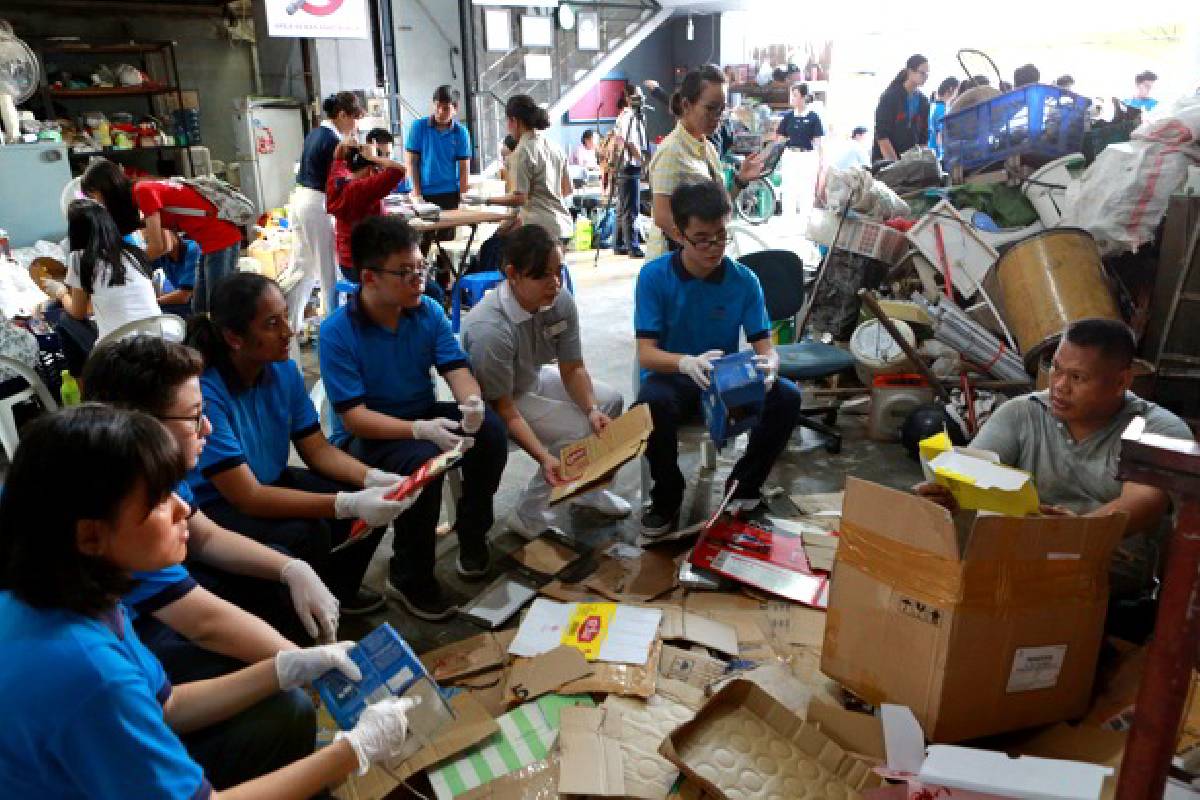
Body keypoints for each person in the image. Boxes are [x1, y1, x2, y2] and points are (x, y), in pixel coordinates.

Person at [0, 404, 419, 798]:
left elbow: (169, 705)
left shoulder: (75, 593)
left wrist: (282, 668)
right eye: (158, 501)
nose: (184, 508)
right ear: (90, 535)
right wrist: (354, 751)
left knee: (284, 709)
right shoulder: (92, 674)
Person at [184, 272, 419, 616]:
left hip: (266, 481)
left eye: (285, 316)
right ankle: (299, 614)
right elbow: (246, 497)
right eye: (271, 323)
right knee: (307, 532)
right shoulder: (207, 392)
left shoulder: (283, 372)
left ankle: (339, 592)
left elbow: (317, 449)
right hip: (217, 502)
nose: (288, 331)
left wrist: (372, 479)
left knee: (363, 499)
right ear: (234, 337)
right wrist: (347, 503)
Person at [83, 335, 340, 646]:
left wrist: (291, 569)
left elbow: (204, 534)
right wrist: (296, 664)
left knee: (280, 568)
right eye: (194, 416)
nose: (207, 427)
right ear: (142, 425)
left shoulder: (149, 462)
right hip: (123, 629)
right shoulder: (115, 508)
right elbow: (203, 622)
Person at [915, 319, 1193, 606]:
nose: (1059, 386)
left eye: (1077, 378)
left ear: (1121, 381)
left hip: (1106, 565)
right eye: (1056, 369)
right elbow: (969, 477)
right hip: (1020, 551)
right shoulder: (1022, 413)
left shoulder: (1157, 430)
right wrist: (946, 495)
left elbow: (1144, 502)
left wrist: (1079, 535)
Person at [318, 216, 507, 621]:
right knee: (423, 459)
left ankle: (472, 535)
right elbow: (354, 418)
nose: (418, 279)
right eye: (405, 272)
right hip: (369, 436)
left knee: (490, 432)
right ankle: (410, 573)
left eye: (420, 268)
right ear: (369, 277)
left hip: (421, 416)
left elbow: (454, 368)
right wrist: (420, 429)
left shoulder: (427, 312)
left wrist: (471, 403)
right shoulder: (338, 332)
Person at [634, 180, 802, 536]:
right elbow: (646, 354)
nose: (714, 248)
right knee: (650, 405)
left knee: (786, 396)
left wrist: (769, 365)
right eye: (702, 238)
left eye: (721, 235)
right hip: (673, 377)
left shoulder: (744, 281)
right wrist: (684, 362)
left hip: (722, 380)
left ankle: (743, 489)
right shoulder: (654, 277)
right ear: (679, 234)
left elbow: (764, 345)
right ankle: (667, 496)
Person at [462, 223, 629, 537]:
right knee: (578, 432)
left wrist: (592, 408)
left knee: (610, 403)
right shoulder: (490, 330)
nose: (554, 283)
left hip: (531, 378)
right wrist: (543, 456)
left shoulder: (559, 299)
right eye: (541, 275)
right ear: (513, 274)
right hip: (500, 401)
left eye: (558, 271)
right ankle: (529, 512)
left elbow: (572, 367)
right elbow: (504, 408)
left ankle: (588, 489)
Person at [80, 158, 243, 315]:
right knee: (199, 307)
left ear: (106, 188)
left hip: (221, 238)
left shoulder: (142, 191)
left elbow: (158, 247)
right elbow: (165, 246)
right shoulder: (140, 193)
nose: (98, 202)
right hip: (208, 243)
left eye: (94, 195)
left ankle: (227, 342)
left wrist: (124, 265)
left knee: (217, 307)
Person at [645, 65, 766, 259]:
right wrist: (702, 246)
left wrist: (740, 180)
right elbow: (662, 217)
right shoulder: (671, 151)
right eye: (710, 109)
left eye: (721, 110)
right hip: (676, 265)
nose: (717, 117)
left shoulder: (707, 148)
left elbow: (718, 208)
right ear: (686, 105)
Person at [46, 199, 160, 375]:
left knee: (64, 320)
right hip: (157, 335)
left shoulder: (80, 259)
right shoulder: (133, 252)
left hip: (120, 347)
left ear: (75, 231)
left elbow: (78, 312)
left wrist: (61, 293)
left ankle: (84, 386)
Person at [292, 91, 363, 326]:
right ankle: (333, 323)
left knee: (303, 267)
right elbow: (343, 179)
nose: (355, 124)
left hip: (301, 199)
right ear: (341, 114)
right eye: (354, 118)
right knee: (327, 271)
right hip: (316, 204)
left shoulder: (316, 133)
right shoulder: (332, 141)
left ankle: (291, 321)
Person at [484, 94, 573, 243]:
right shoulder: (555, 147)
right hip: (562, 226)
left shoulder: (522, 151)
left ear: (514, 121)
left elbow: (519, 198)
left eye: (507, 121)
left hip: (538, 229)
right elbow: (567, 189)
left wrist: (486, 200)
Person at [406, 84, 472, 277]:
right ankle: (418, 281)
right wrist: (417, 194)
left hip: (449, 194)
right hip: (425, 194)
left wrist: (463, 197)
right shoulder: (419, 127)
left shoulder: (461, 132)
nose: (440, 112)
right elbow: (412, 163)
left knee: (444, 244)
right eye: (437, 106)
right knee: (422, 243)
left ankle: (445, 287)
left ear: (455, 108)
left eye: (445, 108)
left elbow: (463, 167)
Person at [326, 127, 408, 281]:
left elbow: (337, 158)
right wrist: (374, 158)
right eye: (376, 165)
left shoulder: (337, 179)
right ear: (370, 166)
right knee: (428, 286)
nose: (379, 169)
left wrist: (343, 146)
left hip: (347, 262)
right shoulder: (363, 188)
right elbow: (400, 170)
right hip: (366, 264)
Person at [775, 82, 825, 223]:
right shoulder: (789, 117)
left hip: (807, 156)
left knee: (806, 189)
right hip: (791, 155)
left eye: (795, 95)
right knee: (788, 188)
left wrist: (821, 161)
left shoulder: (814, 117)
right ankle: (788, 221)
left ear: (803, 97)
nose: (792, 98)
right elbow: (779, 136)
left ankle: (805, 222)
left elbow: (818, 141)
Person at [612, 87, 648, 257]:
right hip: (629, 164)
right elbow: (631, 143)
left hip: (624, 165)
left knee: (623, 206)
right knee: (631, 208)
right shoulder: (629, 117)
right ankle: (632, 246)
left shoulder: (626, 116)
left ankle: (619, 243)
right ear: (628, 98)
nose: (640, 98)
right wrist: (643, 161)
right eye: (637, 95)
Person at [873, 54, 930, 162]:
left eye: (927, 74)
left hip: (911, 162)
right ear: (910, 72)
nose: (925, 77)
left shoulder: (923, 101)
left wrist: (923, 163)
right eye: (922, 73)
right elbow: (882, 135)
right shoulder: (890, 97)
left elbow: (923, 136)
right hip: (886, 162)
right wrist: (895, 165)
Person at [151, 230, 200, 317]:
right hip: (183, 305)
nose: (158, 242)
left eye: (161, 235)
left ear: (172, 231)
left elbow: (185, 296)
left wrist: (154, 302)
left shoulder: (193, 249)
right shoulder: (163, 255)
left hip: (195, 306)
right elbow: (142, 267)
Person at [928, 77, 959, 158]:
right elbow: (940, 136)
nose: (957, 94)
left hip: (929, 151)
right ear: (951, 89)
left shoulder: (932, 105)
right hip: (937, 155)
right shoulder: (943, 109)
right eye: (957, 90)